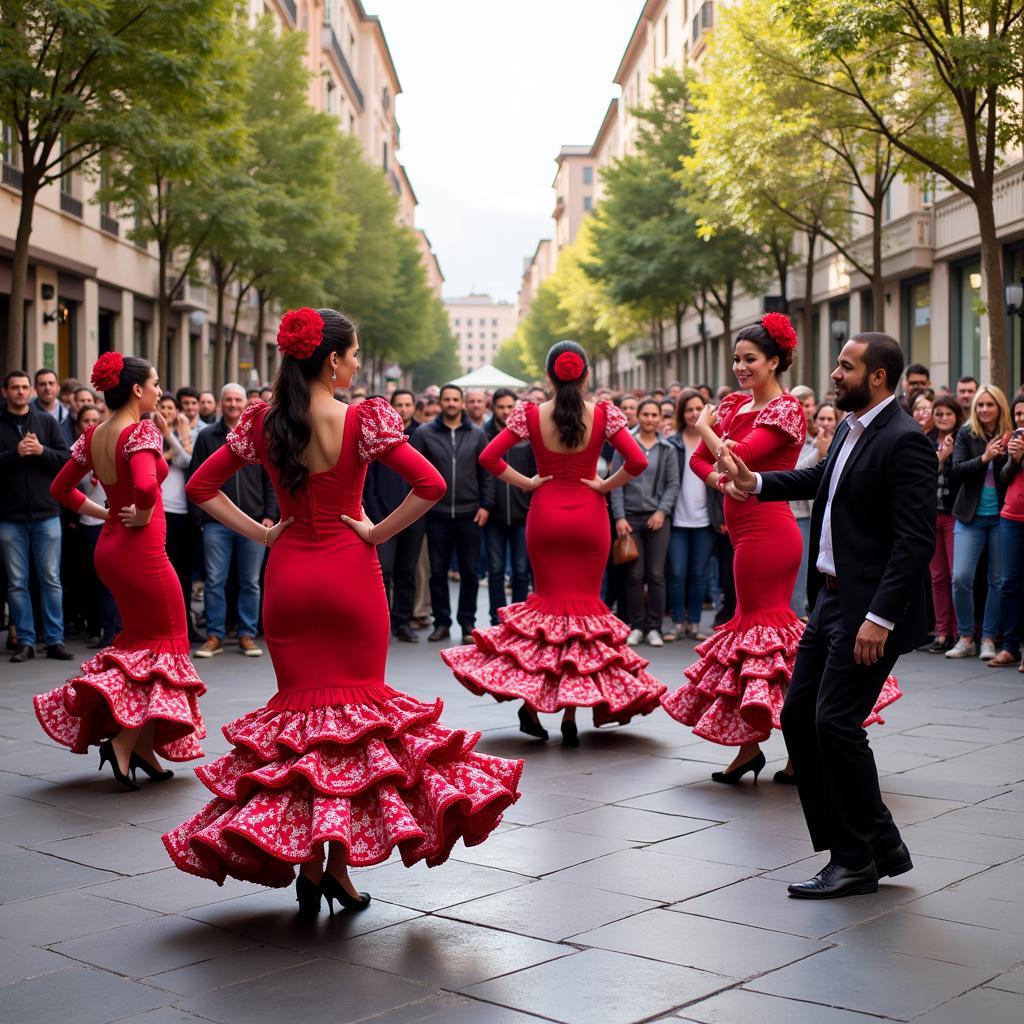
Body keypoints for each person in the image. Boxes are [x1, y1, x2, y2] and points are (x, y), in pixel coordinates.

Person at [162, 307, 521, 914]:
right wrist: (378, 532)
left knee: (298, 729)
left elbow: (199, 486)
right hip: (350, 573)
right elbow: (430, 485)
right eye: (353, 354)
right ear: (331, 359)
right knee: (354, 722)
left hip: (288, 578)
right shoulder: (362, 419)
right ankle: (333, 868)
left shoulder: (265, 421)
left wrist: (263, 532)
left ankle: (312, 866)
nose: (356, 363)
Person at [721, 332, 934, 898]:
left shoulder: (904, 440)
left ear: (879, 377)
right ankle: (880, 841)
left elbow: (914, 542)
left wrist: (880, 618)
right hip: (832, 600)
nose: (835, 374)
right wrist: (757, 482)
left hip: (869, 611)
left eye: (846, 366)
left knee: (835, 725)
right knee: (797, 718)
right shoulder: (850, 427)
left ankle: (854, 859)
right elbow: (821, 482)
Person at [442, 341, 666, 747]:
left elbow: (490, 458)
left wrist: (527, 482)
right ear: (586, 376)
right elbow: (638, 461)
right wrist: (603, 484)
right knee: (583, 615)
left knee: (546, 611)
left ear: (548, 376)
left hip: (544, 514)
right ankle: (569, 713)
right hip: (589, 515)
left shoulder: (529, 414)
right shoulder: (604, 413)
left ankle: (531, 702)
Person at [34, 353, 207, 788]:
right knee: (167, 647)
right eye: (154, 382)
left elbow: (60, 488)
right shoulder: (139, 431)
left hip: (112, 549)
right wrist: (145, 511)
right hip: (142, 554)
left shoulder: (93, 433)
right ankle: (125, 741)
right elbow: (148, 485)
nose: (159, 389)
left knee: (142, 647)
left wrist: (104, 509)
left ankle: (141, 745)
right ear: (135, 389)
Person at [189, 385, 279, 659]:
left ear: (244, 403)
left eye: (237, 399)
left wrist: (270, 514)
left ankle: (246, 635)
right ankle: (215, 635)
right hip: (217, 523)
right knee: (215, 581)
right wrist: (202, 519)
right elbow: (195, 478)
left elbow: (271, 480)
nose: (232, 404)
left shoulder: (259, 435)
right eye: (227, 399)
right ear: (220, 403)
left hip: (254, 521)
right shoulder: (207, 436)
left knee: (250, 582)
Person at [0, 369, 73, 662]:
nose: (20, 391)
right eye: (14, 387)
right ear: (5, 392)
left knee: (51, 579)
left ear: (30, 392)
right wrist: (14, 453)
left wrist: (41, 451)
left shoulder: (45, 422)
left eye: (24, 387)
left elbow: (67, 461)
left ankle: (55, 640)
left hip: (46, 513)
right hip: (9, 516)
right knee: (17, 582)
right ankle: (26, 641)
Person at [411, 384, 493, 643]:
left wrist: (486, 505)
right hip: (437, 514)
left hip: (470, 513)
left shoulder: (478, 435)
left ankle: (467, 624)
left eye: (456, 399)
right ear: (441, 402)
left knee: (469, 572)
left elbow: (487, 474)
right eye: (447, 399)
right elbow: (414, 473)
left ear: (463, 403)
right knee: (438, 571)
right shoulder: (425, 433)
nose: (451, 403)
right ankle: (442, 622)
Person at [946, 385, 1012, 660]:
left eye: (990, 405)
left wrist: (1010, 458)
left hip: (1000, 517)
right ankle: (965, 636)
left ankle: (988, 637)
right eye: (980, 405)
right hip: (969, 517)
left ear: (999, 407)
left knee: (997, 580)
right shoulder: (966, 433)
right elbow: (957, 470)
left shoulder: (1011, 435)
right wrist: (984, 458)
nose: (984, 409)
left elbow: (1009, 478)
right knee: (960, 577)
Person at [610, 397, 680, 648]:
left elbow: (673, 484)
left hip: (658, 519)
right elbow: (615, 482)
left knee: (656, 574)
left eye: (654, 415)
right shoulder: (625, 445)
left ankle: (655, 628)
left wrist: (661, 512)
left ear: (660, 418)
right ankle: (637, 625)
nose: (650, 419)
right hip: (630, 518)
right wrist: (619, 516)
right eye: (646, 414)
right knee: (635, 573)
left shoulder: (668, 448)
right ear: (638, 416)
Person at [363, 389, 424, 643]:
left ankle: (403, 622)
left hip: (413, 517)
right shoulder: (377, 437)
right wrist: (378, 515)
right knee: (384, 571)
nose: (403, 408)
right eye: (398, 404)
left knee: (407, 572)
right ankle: (381, 621)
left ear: (414, 407)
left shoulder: (421, 437)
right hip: (383, 517)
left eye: (407, 404)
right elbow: (370, 482)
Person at [664, 389, 716, 642]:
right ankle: (676, 622)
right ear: (681, 414)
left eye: (698, 409)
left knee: (698, 573)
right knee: (676, 572)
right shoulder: (671, 443)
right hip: (676, 519)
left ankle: (693, 623)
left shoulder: (713, 441)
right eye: (689, 410)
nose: (694, 414)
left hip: (705, 520)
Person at [483, 387, 535, 625]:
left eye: (509, 407)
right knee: (495, 570)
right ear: (493, 408)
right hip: (493, 515)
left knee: (521, 571)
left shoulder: (528, 437)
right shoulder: (483, 434)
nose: (505, 412)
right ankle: (497, 619)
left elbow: (537, 473)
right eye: (501, 407)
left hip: (523, 514)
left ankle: (518, 619)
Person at [789, 403, 836, 618]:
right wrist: (819, 452)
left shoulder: (844, 440)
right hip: (804, 513)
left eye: (830, 419)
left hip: (832, 515)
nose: (826, 423)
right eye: (822, 419)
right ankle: (800, 616)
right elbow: (798, 473)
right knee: (803, 569)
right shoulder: (808, 442)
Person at [926, 395, 963, 653]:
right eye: (938, 413)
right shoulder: (926, 441)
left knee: (955, 575)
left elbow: (962, 475)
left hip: (954, 514)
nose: (943, 418)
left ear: (956, 416)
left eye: (948, 413)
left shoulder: (962, 440)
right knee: (937, 576)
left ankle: (960, 632)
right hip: (930, 515)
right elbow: (921, 475)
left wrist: (949, 456)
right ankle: (941, 632)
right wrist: (940, 457)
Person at [990, 394, 1024, 668]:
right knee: (1009, 583)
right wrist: (1014, 459)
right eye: (1019, 414)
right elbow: (1003, 478)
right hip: (1011, 518)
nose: (1021, 419)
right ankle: (1011, 646)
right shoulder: (1010, 439)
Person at [31, 368, 72, 434]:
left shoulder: (69, 414)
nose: (47, 388)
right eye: (42, 384)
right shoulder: (27, 412)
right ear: (35, 388)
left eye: (51, 383)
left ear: (58, 387)